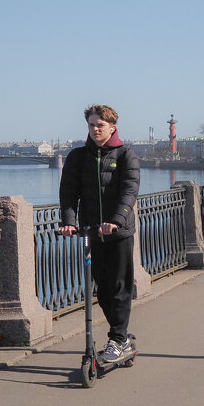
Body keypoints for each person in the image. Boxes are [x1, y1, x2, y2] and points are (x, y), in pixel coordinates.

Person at [58, 104, 140, 364]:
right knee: (102, 290)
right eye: (91, 125)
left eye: (100, 125)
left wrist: (115, 221)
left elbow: (129, 192)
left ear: (112, 127)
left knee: (119, 288)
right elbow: (69, 192)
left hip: (118, 233)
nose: (95, 129)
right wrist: (69, 221)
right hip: (92, 232)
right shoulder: (77, 157)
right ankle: (122, 337)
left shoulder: (126, 155)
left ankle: (117, 338)